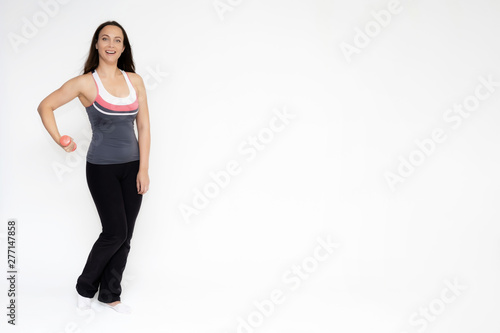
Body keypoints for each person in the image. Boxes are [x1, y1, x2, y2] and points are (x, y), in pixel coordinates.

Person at [37, 21, 150, 314]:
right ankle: (84, 287)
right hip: (101, 168)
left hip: (133, 167)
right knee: (114, 232)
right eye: (105, 39)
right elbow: (45, 106)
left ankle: (110, 294)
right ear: (97, 45)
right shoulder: (86, 83)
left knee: (126, 235)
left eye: (117, 40)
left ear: (124, 47)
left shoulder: (135, 81)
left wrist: (144, 169)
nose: (111, 44)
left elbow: (144, 126)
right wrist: (60, 139)